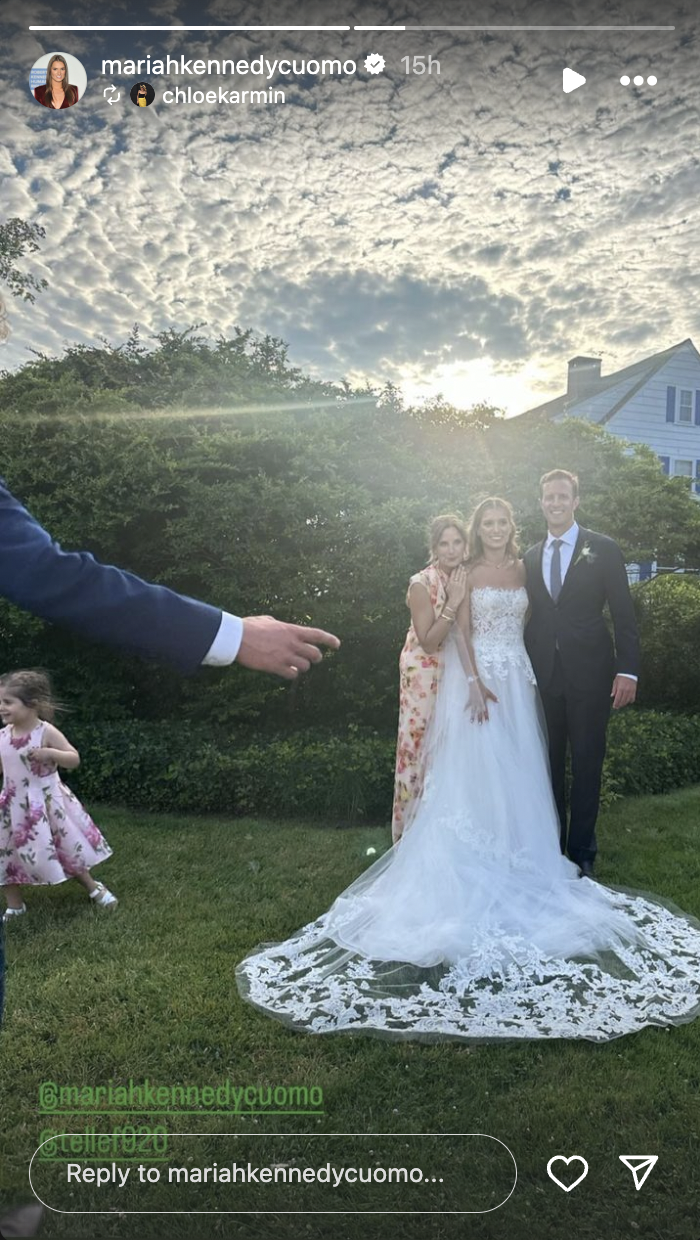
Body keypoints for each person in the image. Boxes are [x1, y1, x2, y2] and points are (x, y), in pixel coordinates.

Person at [235, 497, 700, 1042]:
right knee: (476, 772)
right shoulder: (469, 572)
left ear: (512, 527)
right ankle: (471, 865)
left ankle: (527, 860)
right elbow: (459, 633)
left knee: (521, 772)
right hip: (479, 680)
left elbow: (535, 619)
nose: (497, 530)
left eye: (504, 522)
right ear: (478, 532)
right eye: (489, 524)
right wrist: (476, 681)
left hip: (520, 678)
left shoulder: (523, 565)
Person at [523, 469, 639, 877]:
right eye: (548, 497)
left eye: (562, 496)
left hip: (592, 673)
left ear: (575, 501)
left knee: (588, 760)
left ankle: (582, 850)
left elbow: (623, 614)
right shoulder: (531, 555)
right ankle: (551, 845)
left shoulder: (602, 549)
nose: (555, 502)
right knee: (548, 763)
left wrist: (628, 670)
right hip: (544, 675)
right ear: (541, 503)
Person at [0, 670, 117, 922]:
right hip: (11, 805)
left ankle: (94, 888)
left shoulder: (46, 732)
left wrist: (50, 754)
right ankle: (15, 904)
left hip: (45, 803)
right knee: (4, 852)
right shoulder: (3, 736)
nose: (2, 707)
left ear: (32, 704)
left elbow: (73, 759)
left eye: (8, 702)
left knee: (63, 848)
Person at [391, 514, 468, 842]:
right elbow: (430, 640)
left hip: (454, 673)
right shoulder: (421, 583)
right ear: (434, 548)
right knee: (417, 749)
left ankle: (443, 835)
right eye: (444, 544)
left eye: (457, 543)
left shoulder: (465, 576)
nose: (451, 550)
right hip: (422, 675)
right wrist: (452, 603)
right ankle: (407, 836)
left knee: (448, 750)